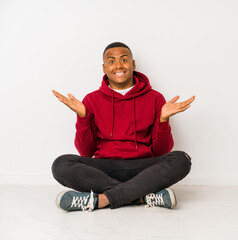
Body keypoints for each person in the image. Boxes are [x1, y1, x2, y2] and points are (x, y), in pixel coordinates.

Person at [51, 42, 195, 212]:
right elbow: (85, 152)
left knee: (181, 159)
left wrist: (163, 119)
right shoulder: (91, 100)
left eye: (124, 60)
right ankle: (142, 196)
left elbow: (161, 151)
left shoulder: (155, 98)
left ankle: (101, 200)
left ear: (132, 64)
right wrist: (82, 117)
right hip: (104, 169)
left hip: (143, 168)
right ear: (104, 68)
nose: (118, 65)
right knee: (61, 164)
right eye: (111, 61)